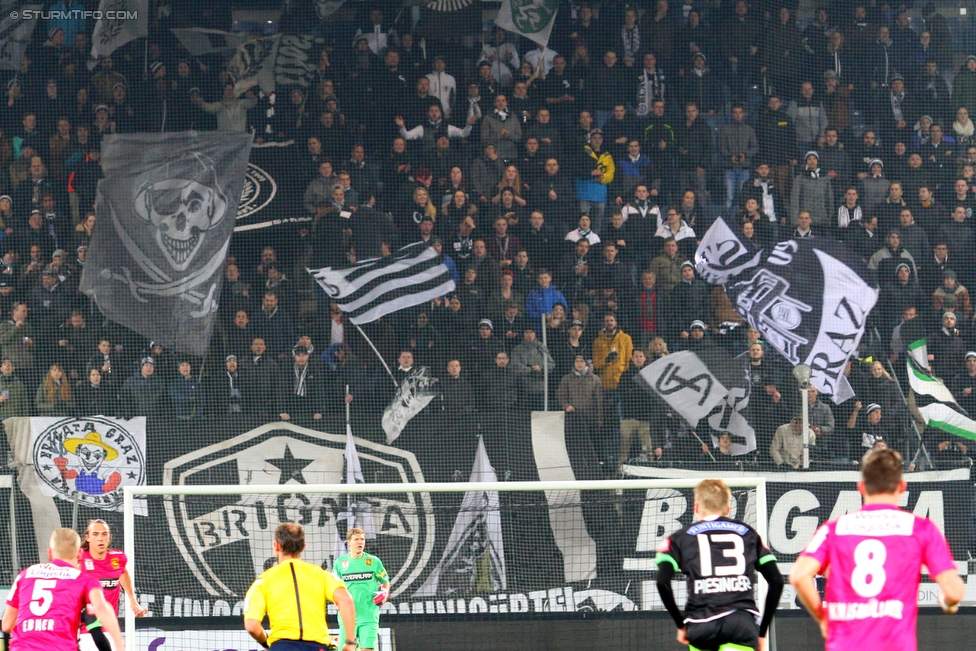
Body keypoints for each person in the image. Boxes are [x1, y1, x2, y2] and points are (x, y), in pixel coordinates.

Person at [789, 448, 964, 649]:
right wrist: (947, 601)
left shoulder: (833, 529)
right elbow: (954, 591)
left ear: (861, 487)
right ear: (901, 486)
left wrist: (822, 618)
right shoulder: (921, 529)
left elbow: (799, 576)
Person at [655, 479, 783, 651]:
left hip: (701, 624)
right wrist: (761, 632)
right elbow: (777, 582)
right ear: (728, 509)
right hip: (741, 624)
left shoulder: (680, 538)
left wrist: (681, 624)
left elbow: (662, 582)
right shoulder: (749, 534)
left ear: (696, 507)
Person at [3, 528, 125, 651]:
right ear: (80, 553)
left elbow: (7, 624)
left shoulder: (25, 575)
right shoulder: (85, 580)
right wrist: (120, 646)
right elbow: (102, 608)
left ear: (50, 553)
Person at [244, 522, 357, 651]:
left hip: (281, 647)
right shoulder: (320, 574)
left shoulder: (263, 580)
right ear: (303, 547)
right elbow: (346, 600)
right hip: (316, 647)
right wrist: (349, 642)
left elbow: (251, 625)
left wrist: (266, 643)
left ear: (276, 545)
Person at [79, 520, 148, 651]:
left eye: (104, 534)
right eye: (95, 534)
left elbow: (122, 572)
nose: (100, 538)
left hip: (109, 628)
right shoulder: (78, 559)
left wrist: (132, 600)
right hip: (84, 630)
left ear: (109, 537)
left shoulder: (118, 558)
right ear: (87, 537)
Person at [331, 528, 390, 651]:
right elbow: (333, 587)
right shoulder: (340, 563)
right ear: (349, 542)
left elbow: (385, 582)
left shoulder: (374, 561)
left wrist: (384, 593)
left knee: (367, 649)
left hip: (368, 615)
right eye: (356, 539)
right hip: (346, 616)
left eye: (362, 539)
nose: (360, 542)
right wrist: (336, 599)